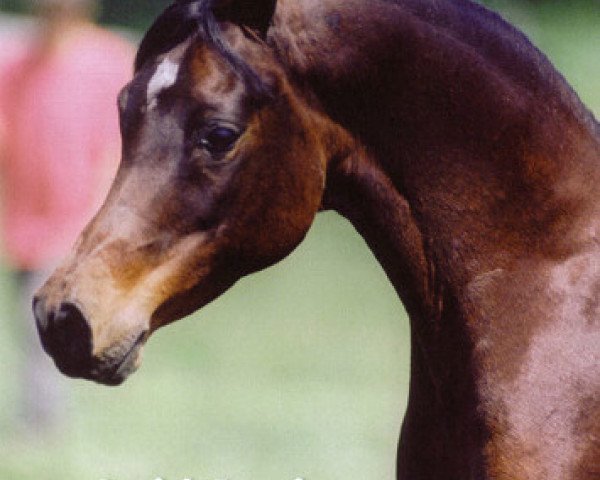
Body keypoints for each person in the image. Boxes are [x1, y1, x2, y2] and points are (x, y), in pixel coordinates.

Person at [0, 0, 134, 434]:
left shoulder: (108, 60)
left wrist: (99, 218)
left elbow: (117, 146)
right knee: (36, 322)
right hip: (24, 221)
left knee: (41, 321)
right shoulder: (14, 62)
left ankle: (43, 421)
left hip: (76, 220)